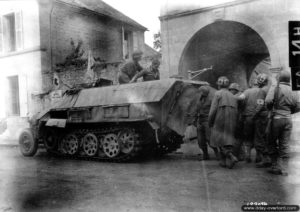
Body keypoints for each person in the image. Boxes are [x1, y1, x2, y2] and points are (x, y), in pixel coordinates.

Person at [265, 71, 300, 176]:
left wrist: (271, 109)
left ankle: (275, 166)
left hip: (276, 118)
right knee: (285, 143)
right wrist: (289, 112)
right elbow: (299, 106)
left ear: (279, 78)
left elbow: (268, 101)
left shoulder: (275, 87)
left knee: (271, 141)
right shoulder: (294, 89)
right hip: (288, 119)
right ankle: (284, 169)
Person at [238, 74, 269, 164]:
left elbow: (240, 99)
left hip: (248, 118)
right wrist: (255, 114)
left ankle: (247, 156)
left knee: (248, 138)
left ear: (251, 84)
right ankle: (258, 157)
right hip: (258, 118)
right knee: (259, 137)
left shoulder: (247, 91)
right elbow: (261, 104)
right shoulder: (262, 91)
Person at [208, 76, 238, 169]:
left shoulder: (218, 93)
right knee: (227, 139)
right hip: (232, 119)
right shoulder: (232, 95)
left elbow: (213, 109)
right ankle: (223, 161)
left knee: (218, 138)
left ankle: (230, 156)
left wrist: (210, 121)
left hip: (220, 117)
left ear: (219, 84)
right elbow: (236, 110)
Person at [194, 85, 219, 160]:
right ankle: (205, 155)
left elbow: (214, 110)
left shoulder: (211, 100)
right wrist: (195, 119)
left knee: (210, 139)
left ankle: (217, 154)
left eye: (201, 92)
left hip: (207, 120)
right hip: (200, 120)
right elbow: (196, 109)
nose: (200, 94)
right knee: (200, 140)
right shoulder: (199, 99)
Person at [229, 83, 245, 161]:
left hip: (239, 118)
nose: (231, 91)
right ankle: (240, 154)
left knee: (238, 137)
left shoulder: (240, 95)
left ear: (235, 90)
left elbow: (238, 99)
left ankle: (239, 154)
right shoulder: (237, 95)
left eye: (232, 90)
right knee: (237, 137)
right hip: (236, 118)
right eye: (230, 90)